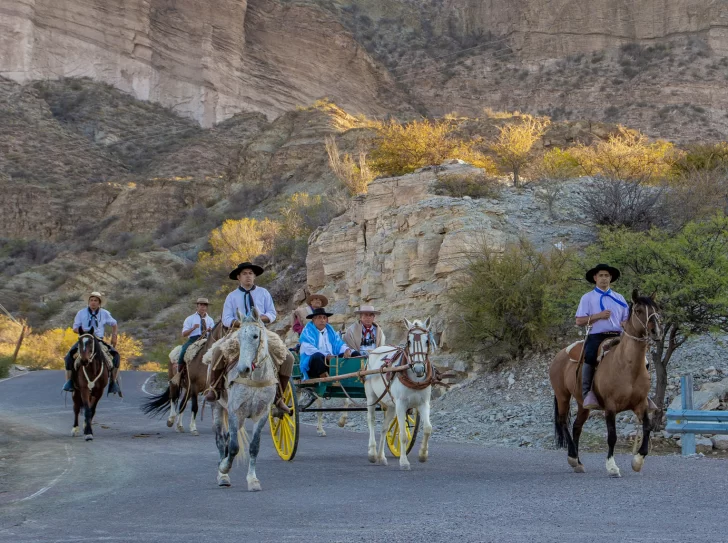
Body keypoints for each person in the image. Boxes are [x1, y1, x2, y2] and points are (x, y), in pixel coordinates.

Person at [205, 262, 294, 416]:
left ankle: (279, 397)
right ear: (239, 277)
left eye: (251, 273)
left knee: (289, 357)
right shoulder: (232, 296)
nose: (248, 276)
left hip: (261, 331)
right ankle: (215, 387)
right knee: (218, 351)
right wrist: (243, 322)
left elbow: (272, 313)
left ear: (254, 276)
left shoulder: (263, 293)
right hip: (238, 331)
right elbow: (226, 318)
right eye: (245, 273)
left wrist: (260, 319)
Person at [575, 263, 657, 411]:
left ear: (611, 278)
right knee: (591, 355)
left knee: (642, 359)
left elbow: (627, 319)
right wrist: (598, 316)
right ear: (595, 278)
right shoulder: (587, 298)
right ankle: (588, 393)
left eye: (607, 276)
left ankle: (643, 393)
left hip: (619, 335)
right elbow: (579, 320)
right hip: (597, 335)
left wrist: (627, 325)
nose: (604, 278)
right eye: (601, 275)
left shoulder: (618, 297)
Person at [63, 292, 122, 396]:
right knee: (68, 357)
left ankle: (113, 382)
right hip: (85, 339)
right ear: (88, 302)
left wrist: (114, 335)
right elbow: (75, 328)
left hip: (98, 339)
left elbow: (114, 324)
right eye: (91, 300)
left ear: (99, 303)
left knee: (116, 355)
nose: (93, 302)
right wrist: (84, 331)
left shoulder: (104, 313)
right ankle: (69, 382)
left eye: (96, 301)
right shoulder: (81, 313)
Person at [299, 307, 359, 380]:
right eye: (319, 317)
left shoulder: (330, 331)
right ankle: (324, 380)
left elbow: (339, 344)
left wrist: (347, 350)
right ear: (313, 320)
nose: (322, 320)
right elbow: (309, 349)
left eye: (324, 318)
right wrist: (326, 356)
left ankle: (355, 379)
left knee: (355, 354)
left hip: (332, 361)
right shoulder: (307, 331)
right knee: (317, 357)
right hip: (316, 365)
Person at [177, 297, 214, 374]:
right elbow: (184, 334)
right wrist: (193, 328)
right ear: (197, 306)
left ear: (207, 307)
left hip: (207, 340)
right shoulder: (190, 319)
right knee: (183, 352)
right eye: (201, 305)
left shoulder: (210, 320)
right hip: (193, 340)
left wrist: (211, 331)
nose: (203, 307)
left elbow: (213, 333)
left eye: (205, 305)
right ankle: (178, 375)